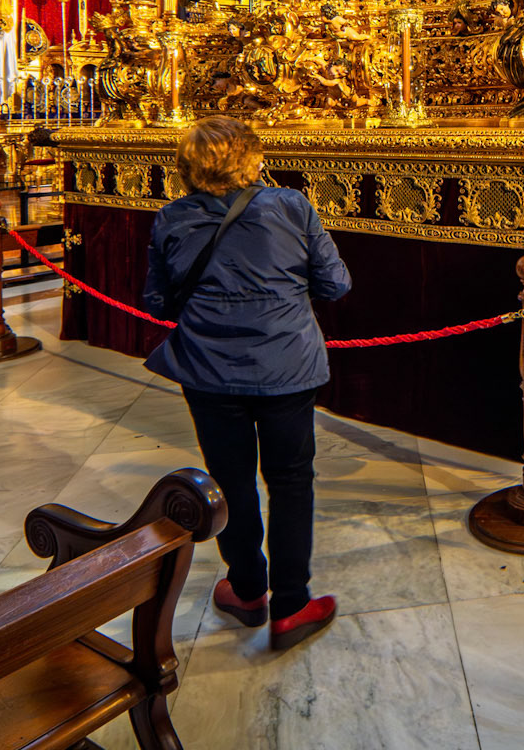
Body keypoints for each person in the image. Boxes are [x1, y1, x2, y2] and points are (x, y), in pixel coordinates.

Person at [143, 115, 353, 653]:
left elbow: (157, 301)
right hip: (285, 366)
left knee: (230, 479)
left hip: (209, 369)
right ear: (252, 159)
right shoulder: (291, 206)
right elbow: (336, 282)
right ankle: (291, 605)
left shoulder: (171, 218)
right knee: (290, 480)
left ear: (186, 169)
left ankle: (246, 590)